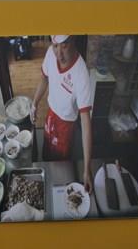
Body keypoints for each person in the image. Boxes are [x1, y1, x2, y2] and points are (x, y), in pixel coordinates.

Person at [30, 35, 94, 193]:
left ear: (73, 41)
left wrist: (87, 169)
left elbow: (86, 122)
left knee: (61, 164)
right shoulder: (50, 53)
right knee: (46, 151)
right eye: (55, 45)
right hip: (51, 114)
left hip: (66, 125)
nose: (58, 54)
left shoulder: (81, 73)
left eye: (64, 46)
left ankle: (58, 188)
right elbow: (44, 79)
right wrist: (35, 103)